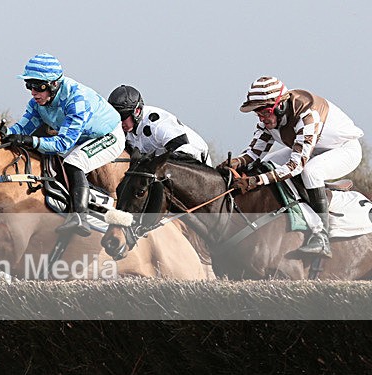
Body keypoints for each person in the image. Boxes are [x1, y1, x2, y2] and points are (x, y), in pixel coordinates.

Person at [220, 76, 364, 258]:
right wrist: (236, 162)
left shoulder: (307, 116)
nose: (262, 118)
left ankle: (322, 236)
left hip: (344, 150)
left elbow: (295, 166)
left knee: (311, 172)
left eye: (265, 112)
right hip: (312, 149)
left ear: (280, 105)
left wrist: (256, 181)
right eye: (258, 113)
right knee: (266, 164)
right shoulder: (268, 121)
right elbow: (254, 154)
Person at [1, 53, 125, 236]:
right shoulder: (37, 103)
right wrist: (4, 133)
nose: (33, 92)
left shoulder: (76, 100)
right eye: (29, 85)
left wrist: (29, 140)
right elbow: (22, 128)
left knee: (75, 162)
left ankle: (80, 218)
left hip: (108, 136)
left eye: (38, 86)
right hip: (79, 137)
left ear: (53, 84)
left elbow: (63, 143)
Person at [107, 85, 211, 164]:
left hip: (195, 159)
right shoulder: (125, 130)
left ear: (137, 111)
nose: (119, 123)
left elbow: (184, 153)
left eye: (122, 116)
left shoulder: (157, 124)